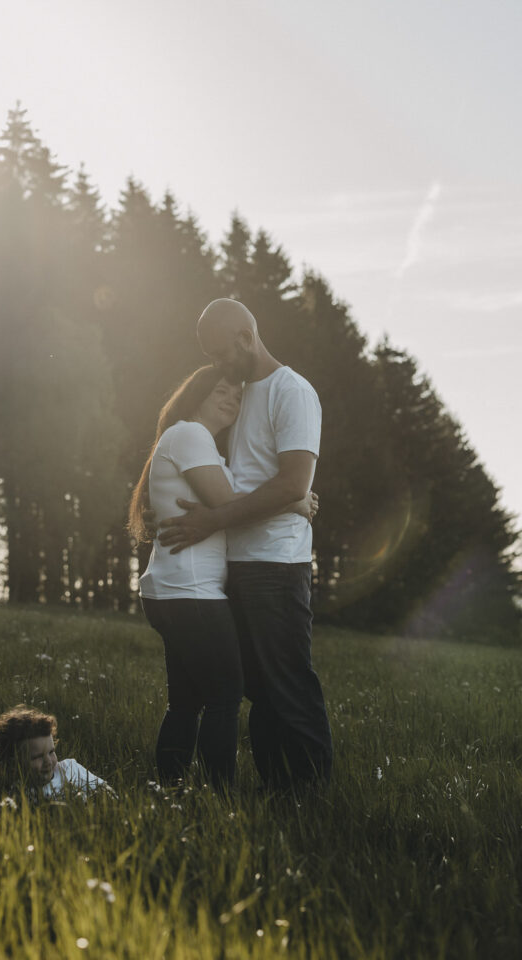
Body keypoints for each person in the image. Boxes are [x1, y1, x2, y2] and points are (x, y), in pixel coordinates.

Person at [159, 299, 333, 790]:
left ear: (245, 337)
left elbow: (293, 482)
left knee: (288, 683)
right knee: (258, 688)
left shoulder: (292, 391)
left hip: (277, 563)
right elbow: (220, 475)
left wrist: (213, 520)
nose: (218, 364)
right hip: (236, 561)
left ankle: (310, 796)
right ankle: (277, 789)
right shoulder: (237, 396)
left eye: (221, 353)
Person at [128, 366, 316, 791]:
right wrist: (295, 500)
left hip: (173, 589)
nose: (231, 399)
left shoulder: (194, 442)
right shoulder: (190, 434)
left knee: (185, 701)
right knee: (225, 697)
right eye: (220, 391)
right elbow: (228, 503)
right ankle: (220, 798)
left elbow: (223, 506)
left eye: (237, 395)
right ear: (196, 395)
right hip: (191, 592)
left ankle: (171, 790)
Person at [0, 704, 114, 800]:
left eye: (51, 752)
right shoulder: (20, 793)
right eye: (37, 757)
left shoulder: (70, 768)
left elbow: (106, 790)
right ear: (13, 764)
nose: (48, 761)